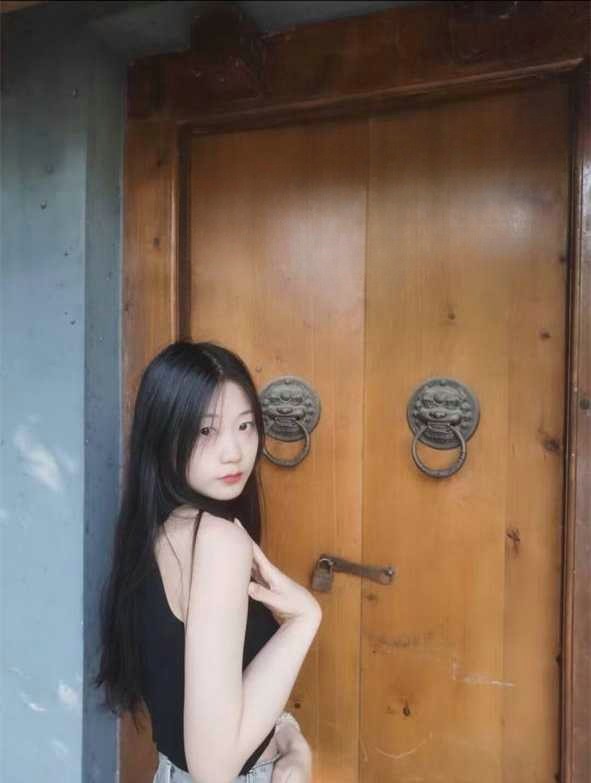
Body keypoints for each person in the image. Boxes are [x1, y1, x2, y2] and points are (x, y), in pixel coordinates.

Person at [94, 341, 323, 783]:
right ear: (164, 434)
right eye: (205, 431)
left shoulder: (159, 532)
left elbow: (214, 703)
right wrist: (304, 619)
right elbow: (214, 768)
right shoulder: (216, 542)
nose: (233, 451)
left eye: (245, 426)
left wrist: (290, 739)